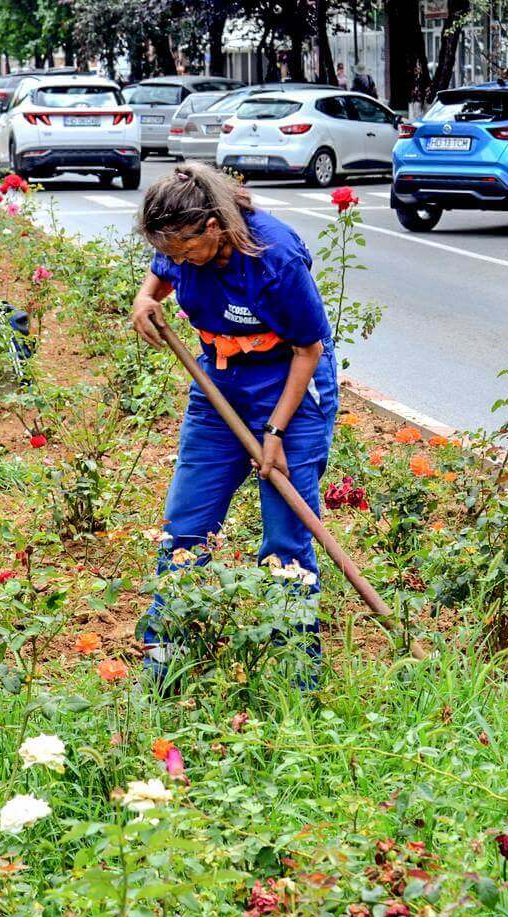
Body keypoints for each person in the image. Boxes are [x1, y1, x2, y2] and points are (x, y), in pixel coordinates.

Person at [129, 162, 338, 668]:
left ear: (214, 226)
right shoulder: (179, 244)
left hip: (288, 387)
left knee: (286, 542)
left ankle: (294, 673)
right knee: (185, 527)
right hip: (217, 387)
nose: (177, 260)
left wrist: (275, 432)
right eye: (168, 250)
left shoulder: (275, 258)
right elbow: (158, 278)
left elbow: (308, 349)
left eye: (183, 249)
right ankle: (166, 664)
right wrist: (143, 300)